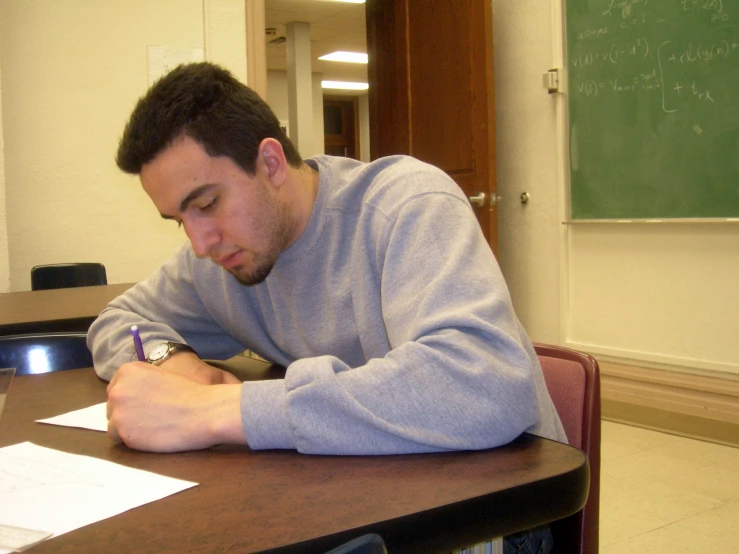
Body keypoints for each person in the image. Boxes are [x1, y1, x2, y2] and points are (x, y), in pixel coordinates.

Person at [89, 62, 564, 550]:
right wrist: (176, 362)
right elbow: (116, 321)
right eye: (178, 220)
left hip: (489, 511)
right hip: (360, 497)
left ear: (270, 163)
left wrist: (215, 411)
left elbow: (486, 386)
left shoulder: (406, 205)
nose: (200, 242)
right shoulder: (222, 260)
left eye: (207, 204)